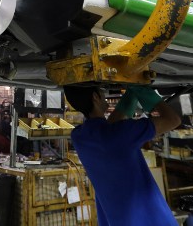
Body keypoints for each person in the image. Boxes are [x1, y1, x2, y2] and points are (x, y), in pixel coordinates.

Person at [63, 84, 181, 226]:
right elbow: (173, 120)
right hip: (149, 219)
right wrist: (147, 95)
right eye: (102, 91)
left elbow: (108, 129)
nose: (104, 94)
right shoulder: (121, 133)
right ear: (95, 97)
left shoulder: (79, 136)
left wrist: (129, 98)